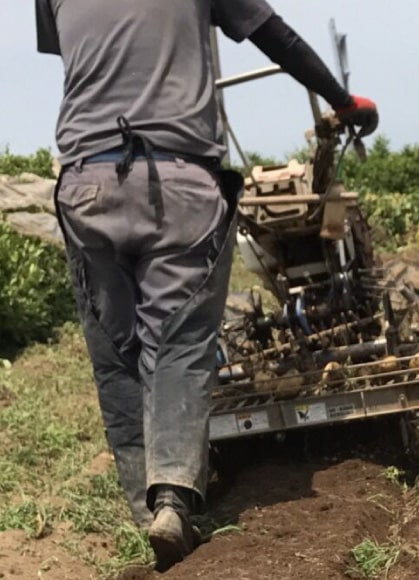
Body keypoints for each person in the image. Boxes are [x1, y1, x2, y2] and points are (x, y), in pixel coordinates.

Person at [35, 0, 379, 571]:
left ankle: (142, 514)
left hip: (85, 183)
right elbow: (277, 37)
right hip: (179, 182)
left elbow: (76, 53)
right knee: (179, 341)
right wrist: (343, 102)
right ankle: (171, 499)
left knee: (117, 352)